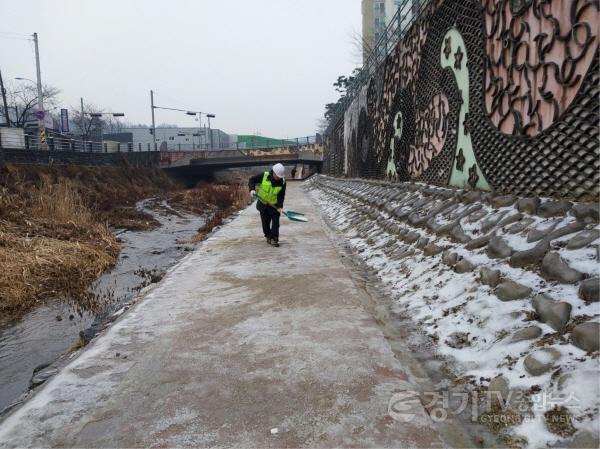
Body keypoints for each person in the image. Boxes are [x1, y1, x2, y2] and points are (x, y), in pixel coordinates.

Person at [249, 163, 286, 247]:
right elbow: (252, 180)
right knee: (265, 224)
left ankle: (275, 239)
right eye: (278, 176)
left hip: (274, 205)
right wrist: (252, 189)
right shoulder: (264, 176)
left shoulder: (283, 181)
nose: (279, 178)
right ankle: (268, 236)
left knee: (276, 223)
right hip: (263, 204)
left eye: (280, 177)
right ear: (274, 172)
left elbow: (281, 195)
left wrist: (280, 206)